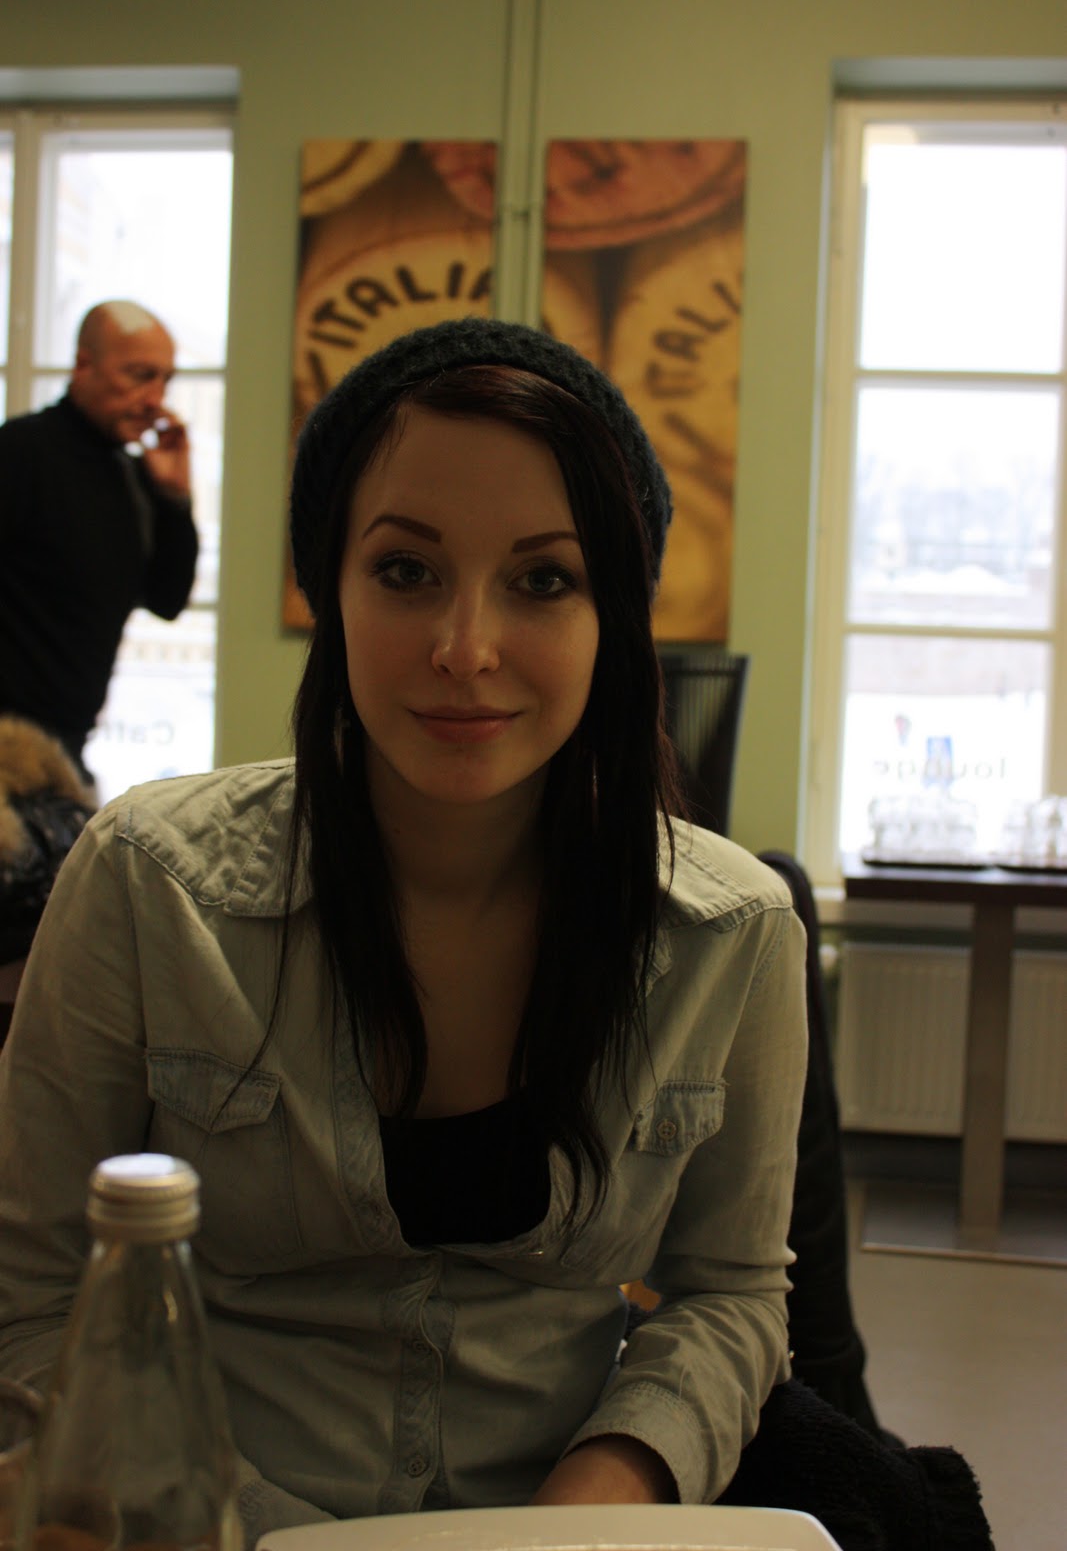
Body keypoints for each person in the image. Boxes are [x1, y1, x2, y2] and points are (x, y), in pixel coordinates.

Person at [0, 319, 991, 1551]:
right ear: (330, 590)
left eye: (542, 580)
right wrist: (245, 1524)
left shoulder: (732, 934)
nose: (464, 650)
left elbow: (729, 1295)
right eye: (404, 570)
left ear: (612, 612)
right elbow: (32, 1298)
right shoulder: (148, 885)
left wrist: (589, 1506)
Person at [0, 299, 199, 781]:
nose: (155, 399)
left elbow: (168, 599)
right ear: (83, 365)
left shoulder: (131, 473)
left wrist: (175, 499)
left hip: (65, 748)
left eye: (165, 380)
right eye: (139, 375)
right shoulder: (19, 451)